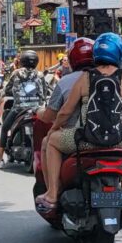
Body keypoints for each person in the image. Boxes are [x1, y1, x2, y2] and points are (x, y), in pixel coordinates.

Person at [38, 34, 122, 215]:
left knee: (50, 141)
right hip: (116, 141)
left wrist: (53, 129)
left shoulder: (85, 77)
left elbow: (66, 111)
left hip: (85, 141)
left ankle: (52, 194)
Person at [36, 37, 95, 216]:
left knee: (48, 141)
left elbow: (57, 114)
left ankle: (53, 192)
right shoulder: (115, 78)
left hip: (77, 137)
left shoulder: (69, 81)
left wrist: (42, 116)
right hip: (110, 137)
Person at [0, 50, 44, 167]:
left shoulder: (16, 73)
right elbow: (44, 91)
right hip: (37, 109)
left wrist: (2, 94)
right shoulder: (40, 74)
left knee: (5, 128)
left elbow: (7, 88)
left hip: (19, 108)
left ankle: (0, 160)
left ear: (22, 61)